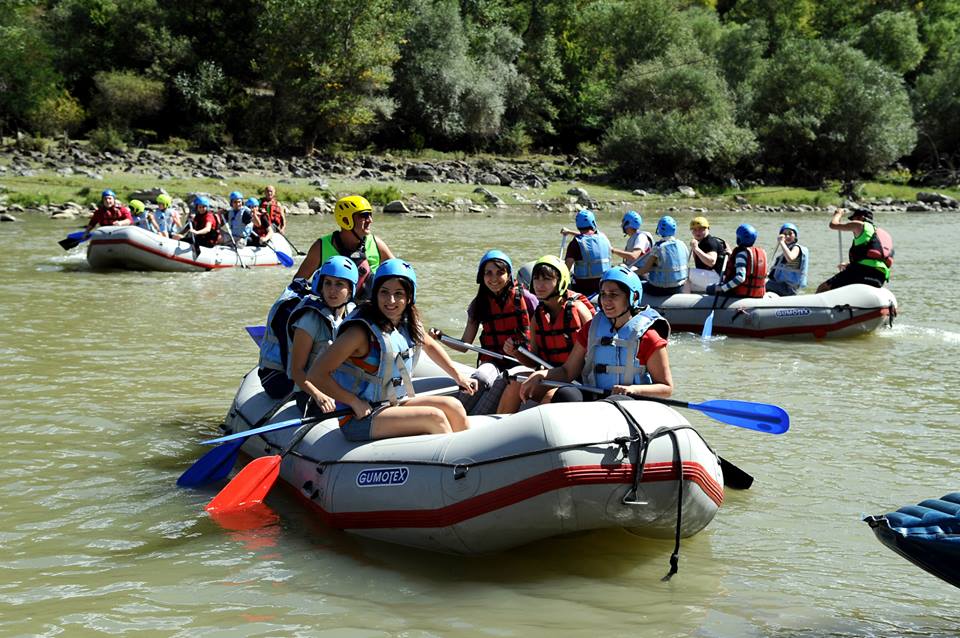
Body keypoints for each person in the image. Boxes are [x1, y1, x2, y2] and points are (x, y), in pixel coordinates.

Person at [309, 259, 477, 442]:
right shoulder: (359, 332)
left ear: (409, 297)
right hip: (359, 417)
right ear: (375, 294)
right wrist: (353, 401)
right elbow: (316, 374)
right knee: (435, 418)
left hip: (393, 402)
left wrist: (458, 376)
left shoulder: (406, 322)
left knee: (454, 406)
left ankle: (471, 464)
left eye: (399, 294)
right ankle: (450, 466)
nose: (391, 301)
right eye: (384, 293)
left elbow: (430, 345)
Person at [519, 265, 673, 404]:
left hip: (631, 402)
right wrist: (542, 375)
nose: (606, 301)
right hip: (597, 397)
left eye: (613, 295)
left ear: (633, 297)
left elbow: (666, 388)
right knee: (562, 395)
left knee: (614, 401)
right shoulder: (591, 329)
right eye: (603, 294)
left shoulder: (649, 337)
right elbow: (567, 371)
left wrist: (633, 389)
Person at [512, 255, 595, 405]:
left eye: (547, 280)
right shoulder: (538, 317)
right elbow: (535, 361)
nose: (540, 285)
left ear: (561, 282)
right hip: (553, 375)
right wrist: (516, 352)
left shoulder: (579, 310)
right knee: (514, 386)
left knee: (551, 396)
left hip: (580, 381)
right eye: (536, 279)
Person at [286, 256, 358, 412]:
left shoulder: (352, 315)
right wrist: (318, 395)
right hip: (311, 392)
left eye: (339, 284)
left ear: (351, 289)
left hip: (339, 388)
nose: (332, 290)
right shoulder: (309, 321)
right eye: (328, 283)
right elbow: (296, 371)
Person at [295, 195, 395, 296]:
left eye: (370, 215)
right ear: (346, 220)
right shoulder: (320, 247)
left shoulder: (377, 245)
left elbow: (401, 275)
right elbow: (297, 284)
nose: (370, 220)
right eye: (364, 215)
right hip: (330, 309)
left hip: (367, 308)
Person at [256, 276, 312, 399]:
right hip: (278, 379)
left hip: (277, 373)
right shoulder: (291, 307)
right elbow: (290, 360)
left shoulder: (298, 294)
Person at [816, 206, 893, 292]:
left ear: (861, 217)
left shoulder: (860, 225)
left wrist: (838, 214)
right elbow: (872, 259)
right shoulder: (879, 234)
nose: (852, 221)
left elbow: (833, 225)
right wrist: (849, 265)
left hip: (861, 272)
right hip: (880, 277)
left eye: (853, 218)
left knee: (823, 288)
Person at [706, 223, 768, 298]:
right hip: (757, 293)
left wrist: (722, 288)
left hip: (739, 293)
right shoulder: (760, 253)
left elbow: (740, 278)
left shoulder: (741, 254)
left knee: (709, 288)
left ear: (739, 238)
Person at [634, 215, 689, 296]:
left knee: (637, 284)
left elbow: (644, 270)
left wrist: (631, 273)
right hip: (679, 287)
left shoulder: (658, 248)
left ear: (659, 229)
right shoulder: (682, 244)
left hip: (660, 289)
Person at [561, 209, 611, 296]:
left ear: (577, 225)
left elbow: (566, 268)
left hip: (584, 288)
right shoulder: (603, 237)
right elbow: (587, 236)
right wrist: (569, 232)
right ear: (593, 222)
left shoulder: (575, 243)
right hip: (605, 283)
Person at [766, 222, 809, 296]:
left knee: (762, 283)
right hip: (781, 286)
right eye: (784, 234)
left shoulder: (797, 248)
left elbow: (790, 258)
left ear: (795, 236)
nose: (787, 236)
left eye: (790, 233)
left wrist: (782, 242)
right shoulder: (784, 253)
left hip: (789, 288)